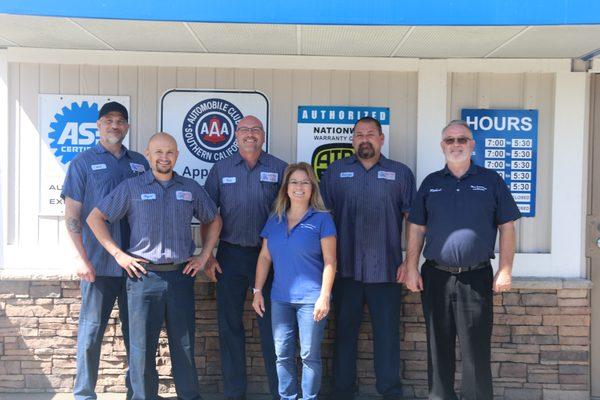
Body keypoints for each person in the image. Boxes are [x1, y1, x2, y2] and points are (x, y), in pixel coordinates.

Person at [86, 132, 222, 400]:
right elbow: (95, 218)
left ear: (177, 155)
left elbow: (214, 219)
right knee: (141, 348)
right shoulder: (132, 187)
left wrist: (205, 255)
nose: (164, 157)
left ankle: (189, 396)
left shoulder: (190, 188)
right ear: (148, 155)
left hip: (181, 276)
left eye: (170, 152)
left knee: (183, 346)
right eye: (158, 152)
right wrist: (118, 254)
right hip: (142, 279)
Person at [404, 120, 521, 400]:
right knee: (438, 347)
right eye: (450, 140)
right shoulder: (431, 183)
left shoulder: (490, 181)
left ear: (472, 144)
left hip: (475, 277)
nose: (456, 144)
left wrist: (505, 270)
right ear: (442, 146)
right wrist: (410, 267)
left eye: (462, 139)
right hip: (435, 276)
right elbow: (417, 227)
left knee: (475, 350)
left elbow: (507, 226)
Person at [320, 116, 416, 400]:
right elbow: (322, 221)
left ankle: (390, 392)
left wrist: (409, 263)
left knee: (387, 338)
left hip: (386, 271)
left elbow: (413, 220)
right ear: (352, 140)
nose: (365, 139)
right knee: (344, 336)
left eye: (371, 134)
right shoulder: (335, 172)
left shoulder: (400, 174)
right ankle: (342, 392)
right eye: (359, 134)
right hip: (344, 270)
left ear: (381, 138)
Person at [61, 101, 148, 400]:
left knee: (136, 337)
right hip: (98, 265)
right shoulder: (82, 163)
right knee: (91, 334)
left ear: (127, 127)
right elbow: (73, 213)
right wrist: (80, 258)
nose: (114, 125)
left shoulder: (140, 163)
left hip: (136, 265)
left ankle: (136, 393)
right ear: (98, 125)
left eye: (120, 120)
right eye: (108, 120)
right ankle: (84, 394)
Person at [203, 115, 287, 400]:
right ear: (235, 135)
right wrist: (209, 256)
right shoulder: (221, 169)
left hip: (270, 259)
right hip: (229, 255)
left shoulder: (279, 169)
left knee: (273, 328)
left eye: (255, 130)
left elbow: (291, 213)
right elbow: (206, 213)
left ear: (263, 136)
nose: (250, 135)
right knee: (230, 326)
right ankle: (234, 392)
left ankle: (281, 392)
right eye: (244, 130)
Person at [252, 162, 337, 400]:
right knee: (282, 354)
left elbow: (331, 261)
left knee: (309, 355)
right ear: (286, 188)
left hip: (312, 300)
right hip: (280, 299)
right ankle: (287, 397)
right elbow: (265, 257)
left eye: (305, 182)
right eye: (294, 182)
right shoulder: (275, 219)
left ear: (312, 188)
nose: (299, 187)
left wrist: (324, 296)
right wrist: (257, 290)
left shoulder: (322, 219)